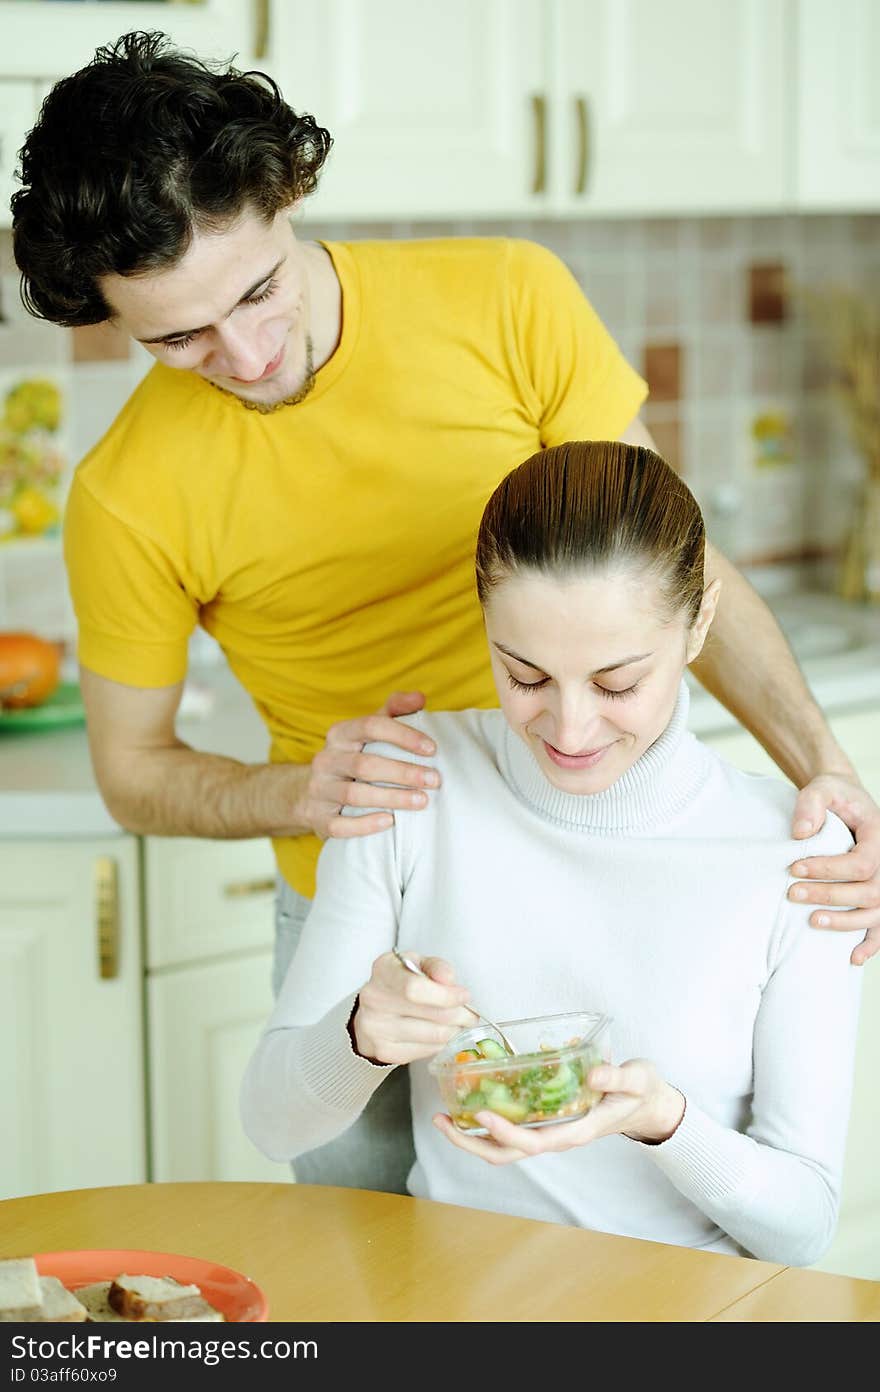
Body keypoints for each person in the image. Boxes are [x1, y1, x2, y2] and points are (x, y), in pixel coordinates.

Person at [11, 32, 879, 1198]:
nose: (248, 352)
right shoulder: (125, 494)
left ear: (288, 193)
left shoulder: (506, 296)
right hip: (366, 919)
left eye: (257, 290)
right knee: (378, 1280)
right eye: (178, 339)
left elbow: (669, 563)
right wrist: (300, 793)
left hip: (600, 869)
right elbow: (134, 773)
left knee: (654, 1223)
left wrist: (827, 770)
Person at [241, 441, 863, 1265]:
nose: (570, 732)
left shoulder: (796, 854)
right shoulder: (410, 786)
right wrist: (358, 1034)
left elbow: (806, 1224)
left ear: (701, 623)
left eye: (617, 684)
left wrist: (665, 1123)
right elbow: (271, 1123)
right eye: (525, 675)